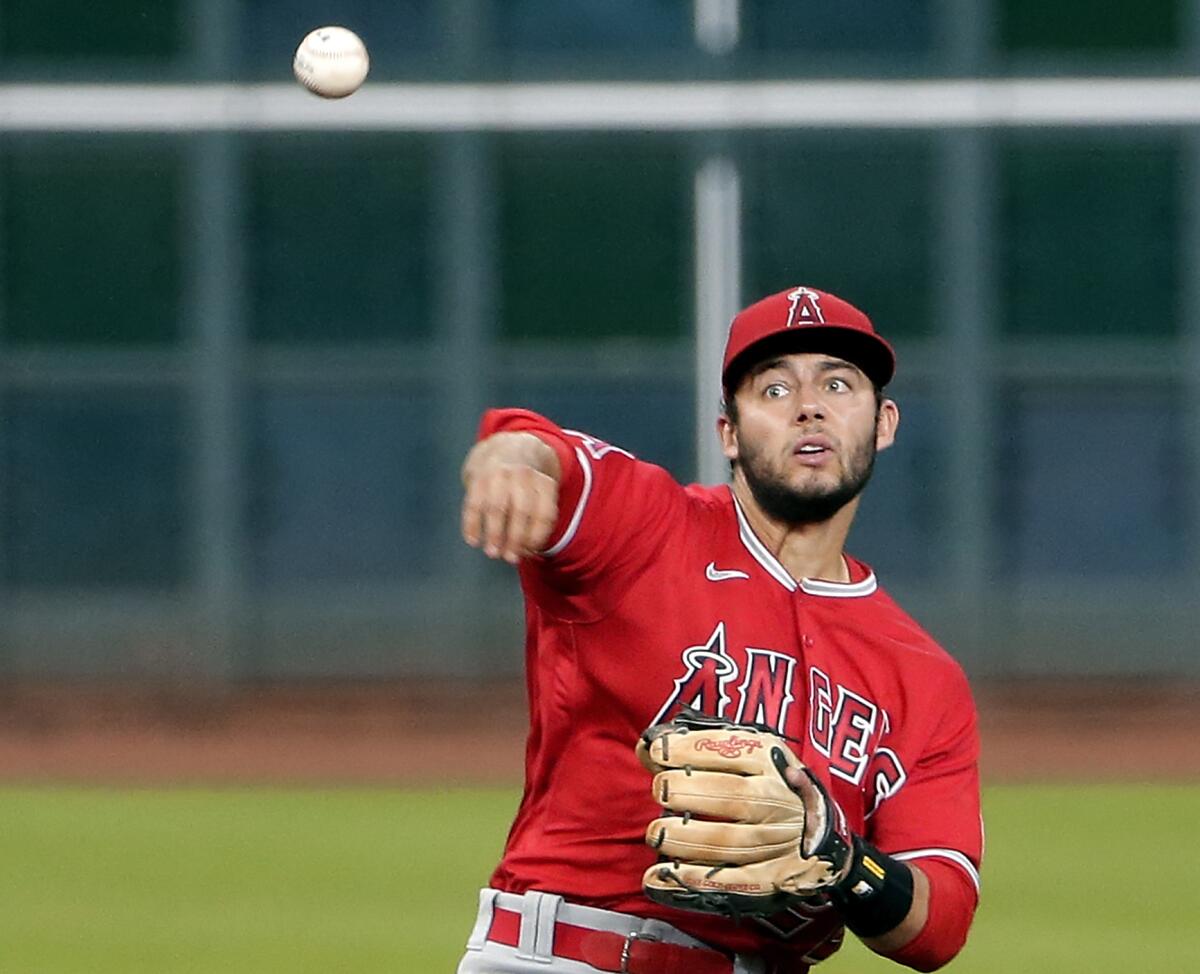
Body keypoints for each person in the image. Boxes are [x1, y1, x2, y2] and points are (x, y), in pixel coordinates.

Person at [456, 286, 982, 974]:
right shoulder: (646, 527)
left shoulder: (924, 676)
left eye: (837, 382)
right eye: (773, 389)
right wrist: (509, 459)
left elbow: (940, 922)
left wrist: (838, 856)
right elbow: (540, 448)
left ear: (883, 423)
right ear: (728, 435)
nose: (809, 406)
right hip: (566, 955)